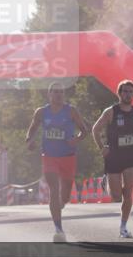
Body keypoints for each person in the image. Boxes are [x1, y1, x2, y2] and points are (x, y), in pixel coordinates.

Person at [25, 83, 89, 241]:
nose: (59, 94)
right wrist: (29, 141)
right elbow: (32, 129)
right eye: (56, 92)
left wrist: (77, 138)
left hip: (68, 156)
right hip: (49, 156)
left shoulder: (71, 111)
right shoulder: (41, 112)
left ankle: (60, 205)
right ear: (50, 94)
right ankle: (58, 229)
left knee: (65, 195)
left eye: (61, 92)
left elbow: (84, 130)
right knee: (54, 189)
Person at [92, 80, 133, 238]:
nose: (127, 94)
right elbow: (96, 129)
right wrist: (102, 147)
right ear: (119, 93)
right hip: (113, 156)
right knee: (116, 196)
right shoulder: (111, 111)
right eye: (125, 91)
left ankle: (123, 226)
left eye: (130, 92)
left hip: (131, 156)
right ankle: (108, 182)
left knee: (129, 193)